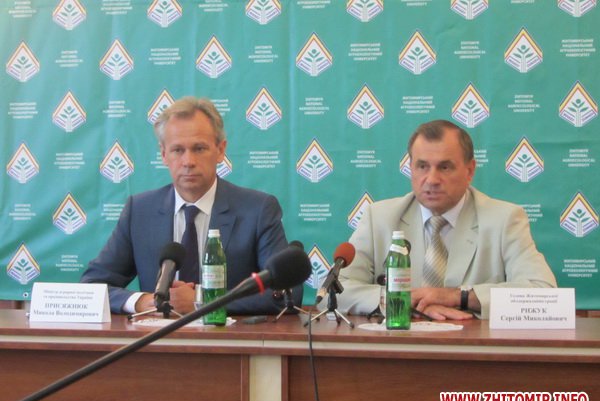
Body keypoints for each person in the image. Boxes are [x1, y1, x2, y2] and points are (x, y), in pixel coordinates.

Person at [81, 97, 301, 315]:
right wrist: (141, 302)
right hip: (158, 336)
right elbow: (92, 286)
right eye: (178, 150)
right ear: (164, 154)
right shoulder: (139, 211)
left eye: (199, 148)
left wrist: (202, 300)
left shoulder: (257, 209)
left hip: (227, 336)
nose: (188, 161)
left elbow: (286, 292)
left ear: (220, 150)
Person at [336, 120, 557, 320]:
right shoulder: (379, 218)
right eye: (422, 166)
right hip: (399, 345)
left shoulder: (504, 220)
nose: (432, 179)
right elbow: (335, 290)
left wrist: (457, 297)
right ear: (411, 168)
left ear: (470, 171)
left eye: (444, 167)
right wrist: (405, 302)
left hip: (472, 346)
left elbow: (543, 293)